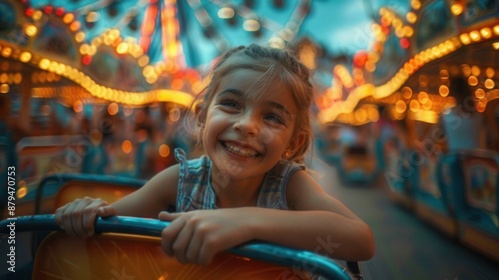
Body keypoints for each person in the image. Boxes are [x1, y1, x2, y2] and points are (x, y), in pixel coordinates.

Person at [55, 44, 375, 265]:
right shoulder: (180, 180)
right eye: (232, 105)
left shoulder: (289, 184)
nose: (247, 125)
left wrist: (248, 222)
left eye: (272, 117)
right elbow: (111, 221)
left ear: (293, 143)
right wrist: (86, 213)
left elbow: (360, 239)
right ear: (203, 115)